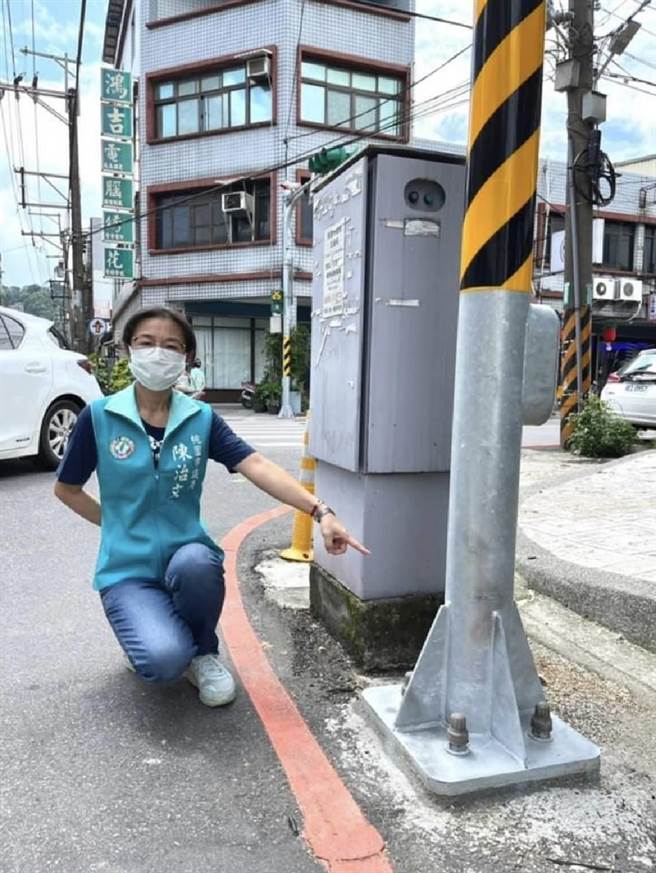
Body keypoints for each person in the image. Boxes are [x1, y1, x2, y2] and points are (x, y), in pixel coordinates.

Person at [54, 307, 368, 708]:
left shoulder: (200, 418)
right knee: (162, 662)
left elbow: (256, 464)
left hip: (186, 555)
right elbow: (67, 489)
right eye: (146, 343)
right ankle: (152, 637)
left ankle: (203, 651)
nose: (158, 353)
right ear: (129, 348)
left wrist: (320, 511)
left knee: (198, 564)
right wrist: (114, 525)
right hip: (126, 569)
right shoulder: (99, 417)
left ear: (186, 358)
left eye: (171, 346)